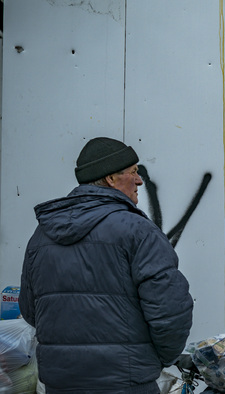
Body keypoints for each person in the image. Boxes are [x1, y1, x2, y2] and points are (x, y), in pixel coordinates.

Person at [19, 137, 194, 393]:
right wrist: (156, 361)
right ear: (110, 179)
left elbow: (30, 310)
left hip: (61, 383)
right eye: (133, 172)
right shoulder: (139, 231)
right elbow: (171, 312)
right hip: (126, 383)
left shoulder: (42, 235)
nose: (140, 180)